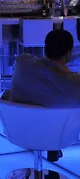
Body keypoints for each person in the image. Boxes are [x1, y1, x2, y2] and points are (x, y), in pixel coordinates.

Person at [7, 29, 80, 162]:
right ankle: (52, 147)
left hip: (18, 130)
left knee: (11, 93)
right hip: (61, 136)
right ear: (69, 53)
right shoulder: (74, 83)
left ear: (45, 48)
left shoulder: (22, 63)